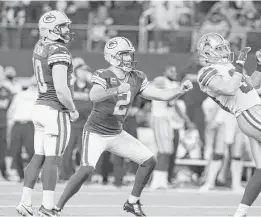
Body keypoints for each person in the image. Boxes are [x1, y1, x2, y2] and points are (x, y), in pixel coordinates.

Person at [54, 36, 193, 217]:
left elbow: (159, 94)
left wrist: (179, 90)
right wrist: (116, 90)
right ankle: (56, 208)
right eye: (124, 55)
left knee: (149, 161)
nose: (128, 58)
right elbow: (94, 96)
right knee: (87, 169)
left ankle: (132, 202)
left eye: (129, 54)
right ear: (112, 56)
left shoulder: (136, 77)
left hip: (117, 133)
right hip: (96, 132)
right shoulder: (103, 74)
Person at [196, 32, 261, 217]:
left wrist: (260, 65)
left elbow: (254, 84)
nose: (223, 51)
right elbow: (228, 89)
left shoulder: (230, 67)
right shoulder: (206, 72)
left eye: (224, 47)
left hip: (256, 113)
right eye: (218, 48)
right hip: (249, 114)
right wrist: (239, 66)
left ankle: (240, 213)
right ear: (206, 53)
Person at [16, 10, 79, 217]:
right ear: (51, 30)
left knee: (39, 156)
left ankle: (25, 202)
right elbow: (61, 89)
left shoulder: (41, 45)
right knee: (53, 159)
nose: (67, 30)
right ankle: (48, 207)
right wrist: (72, 109)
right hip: (55, 110)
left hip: (40, 107)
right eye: (63, 26)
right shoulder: (59, 50)